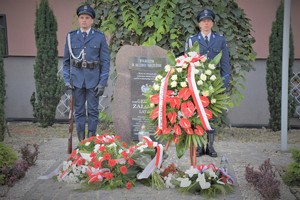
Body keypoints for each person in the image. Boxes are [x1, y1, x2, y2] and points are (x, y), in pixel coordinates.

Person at [185, 8, 231, 157]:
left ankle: (210, 146)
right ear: (199, 24)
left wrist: (223, 85)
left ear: (213, 23)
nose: (206, 23)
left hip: (214, 84)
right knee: (197, 113)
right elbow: (187, 63)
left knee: (212, 115)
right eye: (203, 21)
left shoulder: (220, 40)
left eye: (208, 21)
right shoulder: (192, 40)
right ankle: (199, 146)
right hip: (196, 83)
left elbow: (225, 64)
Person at [63, 4, 110, 141]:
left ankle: (91, 141)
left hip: (93, 80)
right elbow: (66, 61)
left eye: (87, 18)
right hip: (76, 80)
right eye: (81, 17)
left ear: (92, 21)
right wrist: (67, 80)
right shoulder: (70, 37)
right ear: (79, 20)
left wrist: (102, 83)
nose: (84, 20)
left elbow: (105, 62)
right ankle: (81, 141)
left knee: (93, 111)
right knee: (79, 112)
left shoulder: (99, 37)